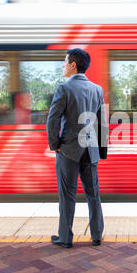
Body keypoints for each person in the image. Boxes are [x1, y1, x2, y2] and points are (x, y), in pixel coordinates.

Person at [46, 48, 108, 249]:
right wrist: (101, 150)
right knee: (93, 194)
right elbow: (102, 123)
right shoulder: (97, 89)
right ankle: (97, 235)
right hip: (91, 150)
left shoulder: (64, 89)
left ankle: (65, 237)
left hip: (69, 150)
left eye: (65, 62)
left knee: (67, 195)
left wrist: (55, 145)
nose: (62, 65)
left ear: (73, 65)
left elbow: (53, 119)